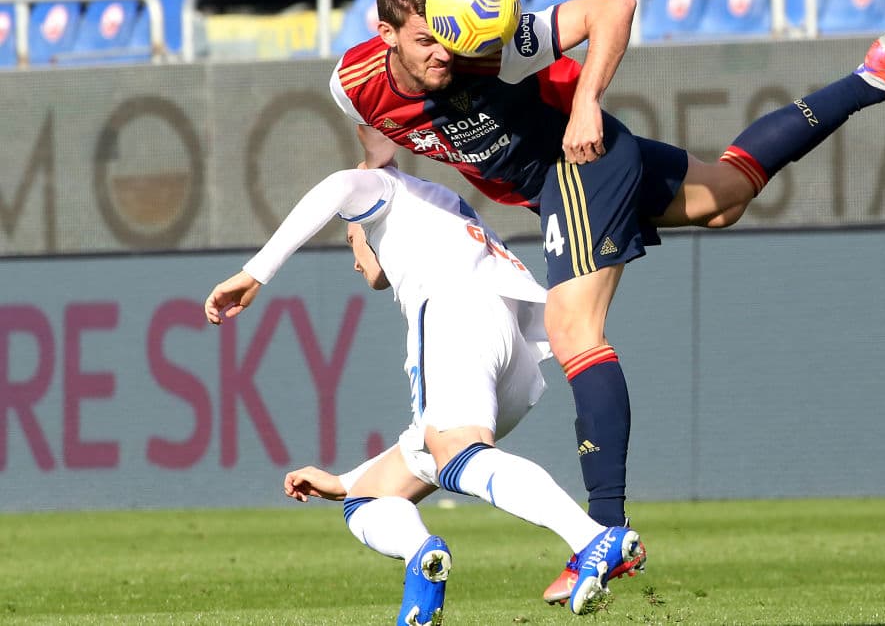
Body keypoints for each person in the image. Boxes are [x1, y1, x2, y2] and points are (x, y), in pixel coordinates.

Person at [327, 0, 885, 604]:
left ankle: (603, 533)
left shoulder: (493, 47)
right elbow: (378, 148)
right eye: (427, 38)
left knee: (572, 328)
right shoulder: (353, 84)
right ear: (387, 36)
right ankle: (876, 75)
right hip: (565, 177)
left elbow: (613, 6)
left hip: (575, 164)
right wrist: (368, 214)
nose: (446, 50)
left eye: (451, 32)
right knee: (726, 196)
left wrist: (586, 102)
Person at [203, 166, 643, 620]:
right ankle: (421, 563)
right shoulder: (442, 215)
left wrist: (254, 274)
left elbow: (340, 185)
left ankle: (593, 538)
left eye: (351, 241)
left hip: (458, 314)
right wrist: (344, 481)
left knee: (457, 450)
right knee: (368, 498)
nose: (355, 259)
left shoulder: (389, 189)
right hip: (510, 356)